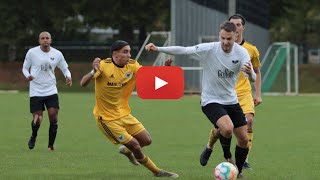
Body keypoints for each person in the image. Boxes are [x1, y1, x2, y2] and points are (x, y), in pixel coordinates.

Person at [145, 21, 256, 178]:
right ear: (219, 35)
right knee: (227, 128)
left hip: (231, 100)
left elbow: (252, 77)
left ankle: (236, 170)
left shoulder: (242, 53)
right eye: (223, 38)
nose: (225, 42)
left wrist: (251, 73)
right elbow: (183, 50)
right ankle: (227, 158)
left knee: (244, 139)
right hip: (211, 100)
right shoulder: (209, 49)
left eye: (229, 39)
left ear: (235, 36)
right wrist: (158, 48)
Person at [80, 40, 178, 178]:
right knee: (136, 146)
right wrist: (92, 71)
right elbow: (83, 83)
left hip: (123, 113)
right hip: (106, 119)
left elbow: (149, 78)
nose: (129, 55)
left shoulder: (132, 65)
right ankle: (157, 172)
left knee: (147, 140)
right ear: (115, 54)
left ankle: (126, 151)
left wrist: (164, 69)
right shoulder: (103, 66)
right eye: (125, 52)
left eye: (129, 51)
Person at [199, 14, 262, 170]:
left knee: (248, 122)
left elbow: (257, 72)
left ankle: (244, 159)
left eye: (238, 25)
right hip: (222, 95)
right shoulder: (220, 47)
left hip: (243, 93)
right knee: (223, 128)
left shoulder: (251, 49)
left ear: (242, 28)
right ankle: (209, 146)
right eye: (233, 25)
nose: (236, 27)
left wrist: (258, 93)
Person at [22, 31, 72, 151]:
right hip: (36, 91)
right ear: (39, 40)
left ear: (51, 40)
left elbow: (65, 68)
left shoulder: (57, 54)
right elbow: (24, 68)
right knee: (38, 119)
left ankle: (50, 146)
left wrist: (68, 76)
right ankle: (33, 136)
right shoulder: (32, 52)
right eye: (42, 38)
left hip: (51, 90)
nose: (45, 40)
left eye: (47, 38)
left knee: (53, 116)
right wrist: (28, 76)